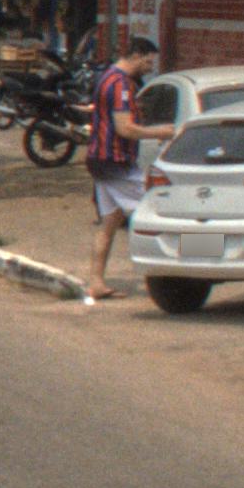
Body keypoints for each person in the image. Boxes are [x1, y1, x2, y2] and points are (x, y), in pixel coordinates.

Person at [81, 30, 170, 303]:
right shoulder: (120, 84)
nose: (150, 68)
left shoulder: (106, 77)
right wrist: (164, 131)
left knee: (110, 222)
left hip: (100, 160)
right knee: (161, 206)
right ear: (136, 56)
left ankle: (96, 282)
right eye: (148, 62)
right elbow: (126, 128)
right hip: (115, 161)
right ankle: (198, 257)